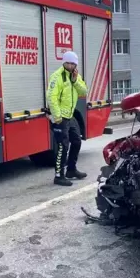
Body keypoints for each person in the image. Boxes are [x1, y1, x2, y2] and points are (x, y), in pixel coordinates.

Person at [47, 51, 88, 186]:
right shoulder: (57, 76)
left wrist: (75, 81)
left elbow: (84, 92)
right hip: (60, 117)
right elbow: (51, 97)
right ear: (64, 62)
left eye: (73, 63)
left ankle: (71, 170)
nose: (70, 66)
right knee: (62, 146)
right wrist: (57, 116)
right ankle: (59, 176)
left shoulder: (76, 76)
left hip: (70, 116)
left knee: (76, 141)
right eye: (68, 63)